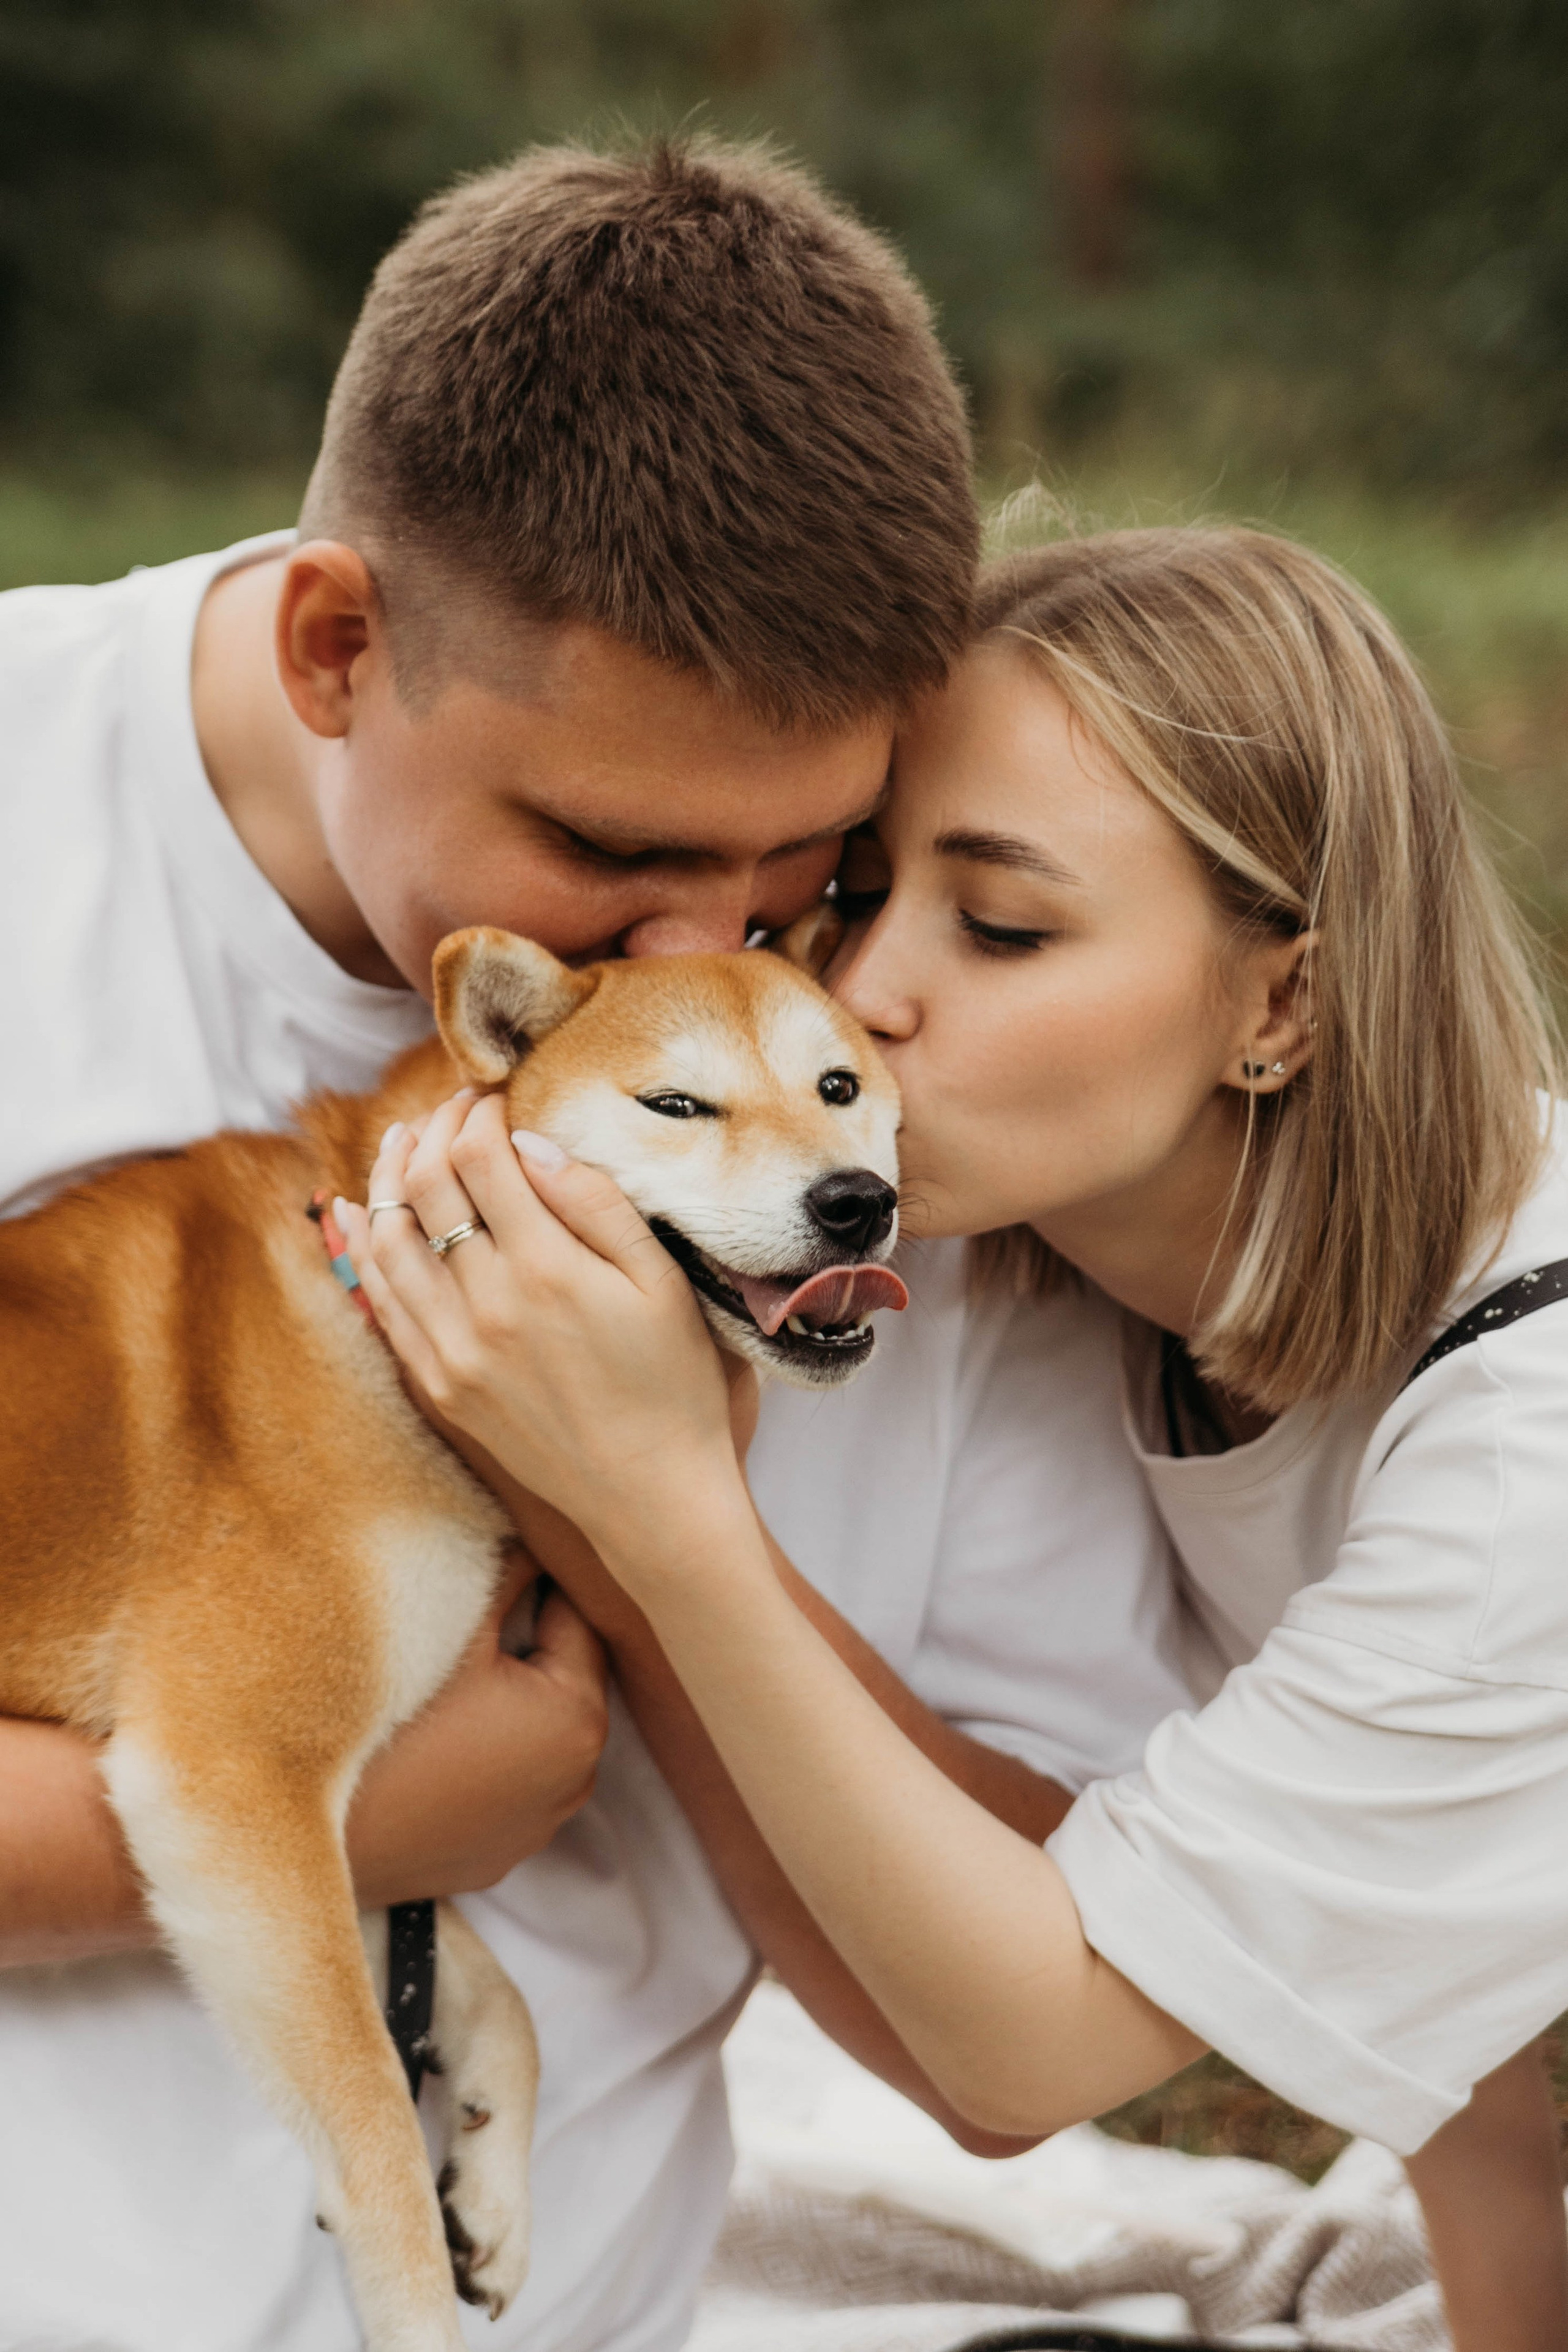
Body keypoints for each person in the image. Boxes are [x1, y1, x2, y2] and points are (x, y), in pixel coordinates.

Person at [0, 143, 1193, 2351]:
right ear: (338, 645)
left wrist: (645, 1532)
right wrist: (351, 1806)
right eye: (607, 849)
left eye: (797, 867)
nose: (702, 954)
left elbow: (1016, 2016)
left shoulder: (911, 1060)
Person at [345, 524, 1568, 2352]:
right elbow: (1469, 2040)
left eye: (1000, 925)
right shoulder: (1089, 1272)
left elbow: (1032, 2039)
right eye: (855, 892)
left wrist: (657, 1501)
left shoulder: (1519, 1474)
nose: (870, 996)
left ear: (1284, 1004)